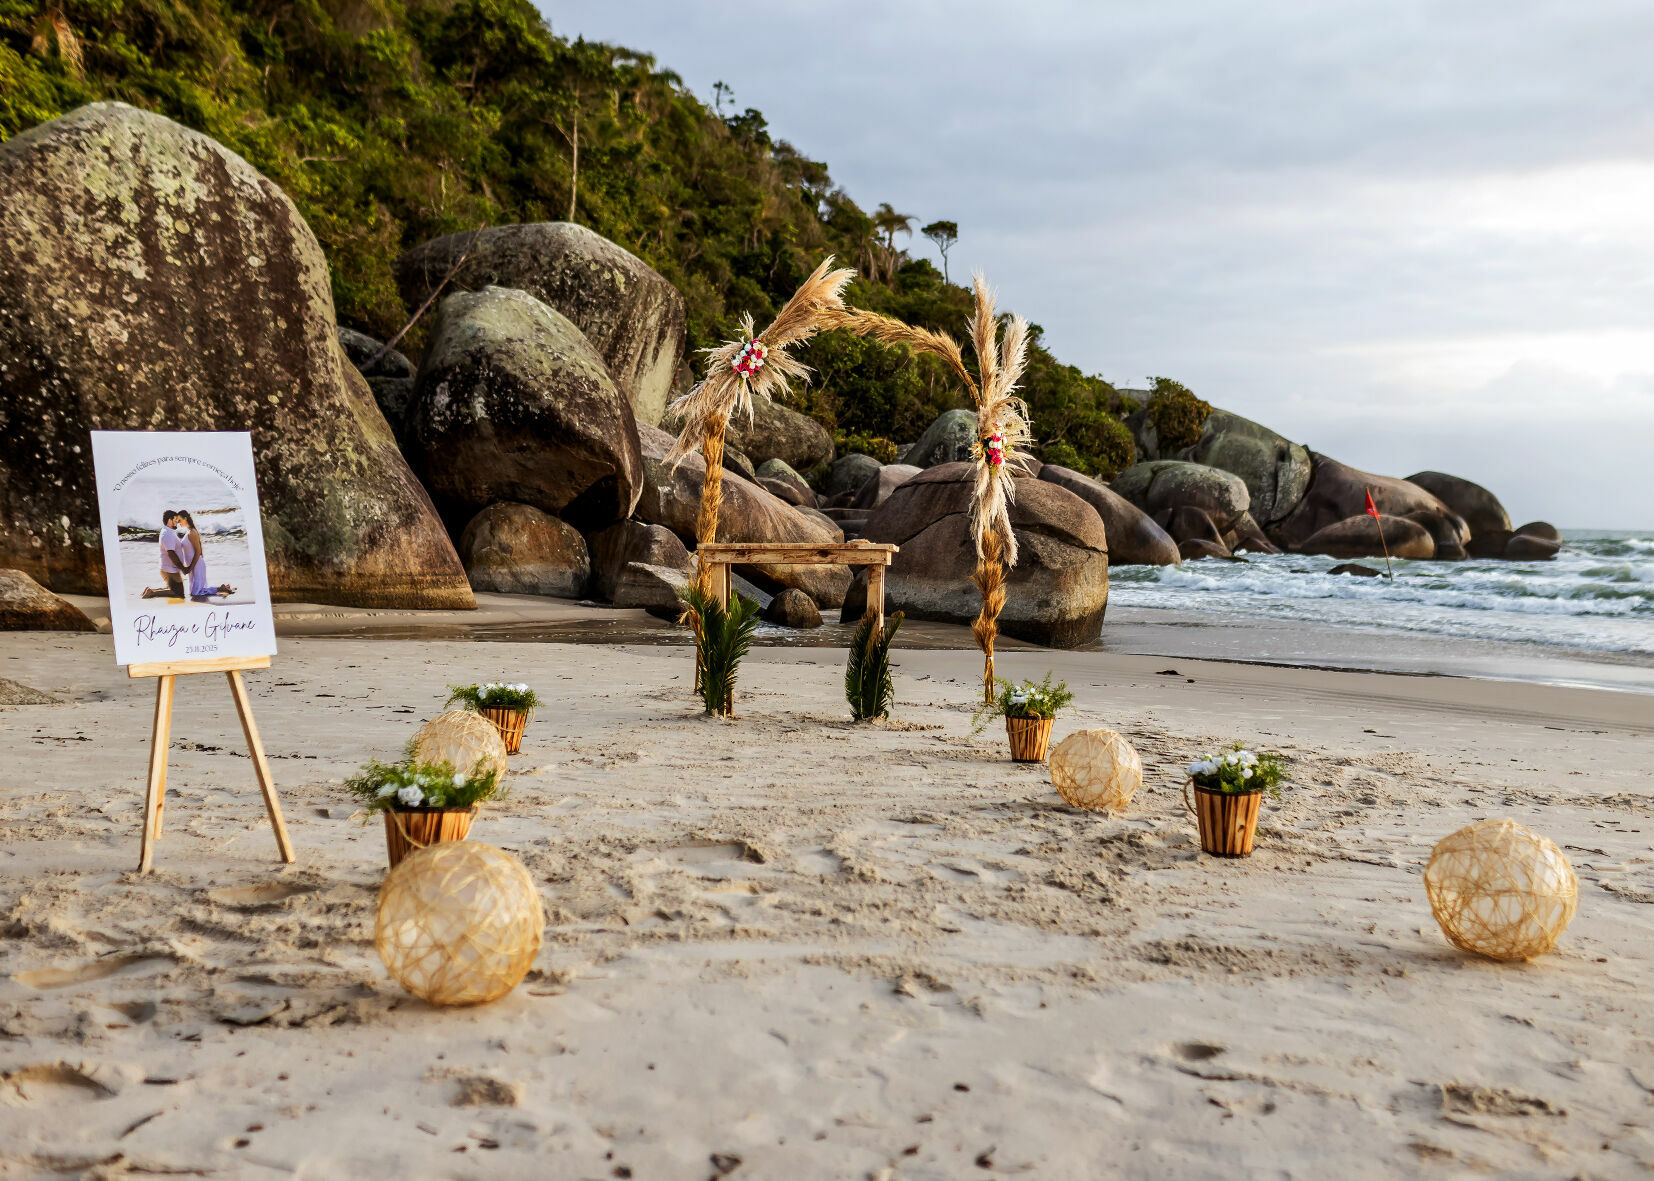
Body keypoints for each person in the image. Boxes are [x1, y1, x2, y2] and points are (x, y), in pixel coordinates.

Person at [177, 510, 235, 600]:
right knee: (196, 592)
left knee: (196, 593)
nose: (178, 523)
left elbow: (198, 551)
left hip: (196, 565)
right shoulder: (189, 532)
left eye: (179, 520)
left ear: (185, 518)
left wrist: (190, 568)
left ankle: (221, 588)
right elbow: (200, 550)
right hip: (194, 565)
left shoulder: (192, 532)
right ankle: (221, 588)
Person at [141, 510, 190, 600]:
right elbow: (171, 553)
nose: (177, 522)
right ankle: (152, 592)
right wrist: (183, 568)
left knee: (174, 590)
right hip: (170, 569)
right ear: (169, 520)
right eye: (175, 519)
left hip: (169, 568)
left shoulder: (168, 531)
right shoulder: (168, 534)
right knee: (179, 594)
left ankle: (150, 591)